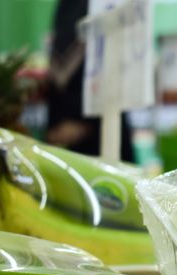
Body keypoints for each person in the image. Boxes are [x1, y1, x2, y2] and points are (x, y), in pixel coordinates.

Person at [45, 0, 134, 162]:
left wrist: (85, 124)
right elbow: (57, 68)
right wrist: (55, 124)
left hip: (102, 125)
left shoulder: (100, 8)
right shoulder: (67, 9)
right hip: (69, 134)